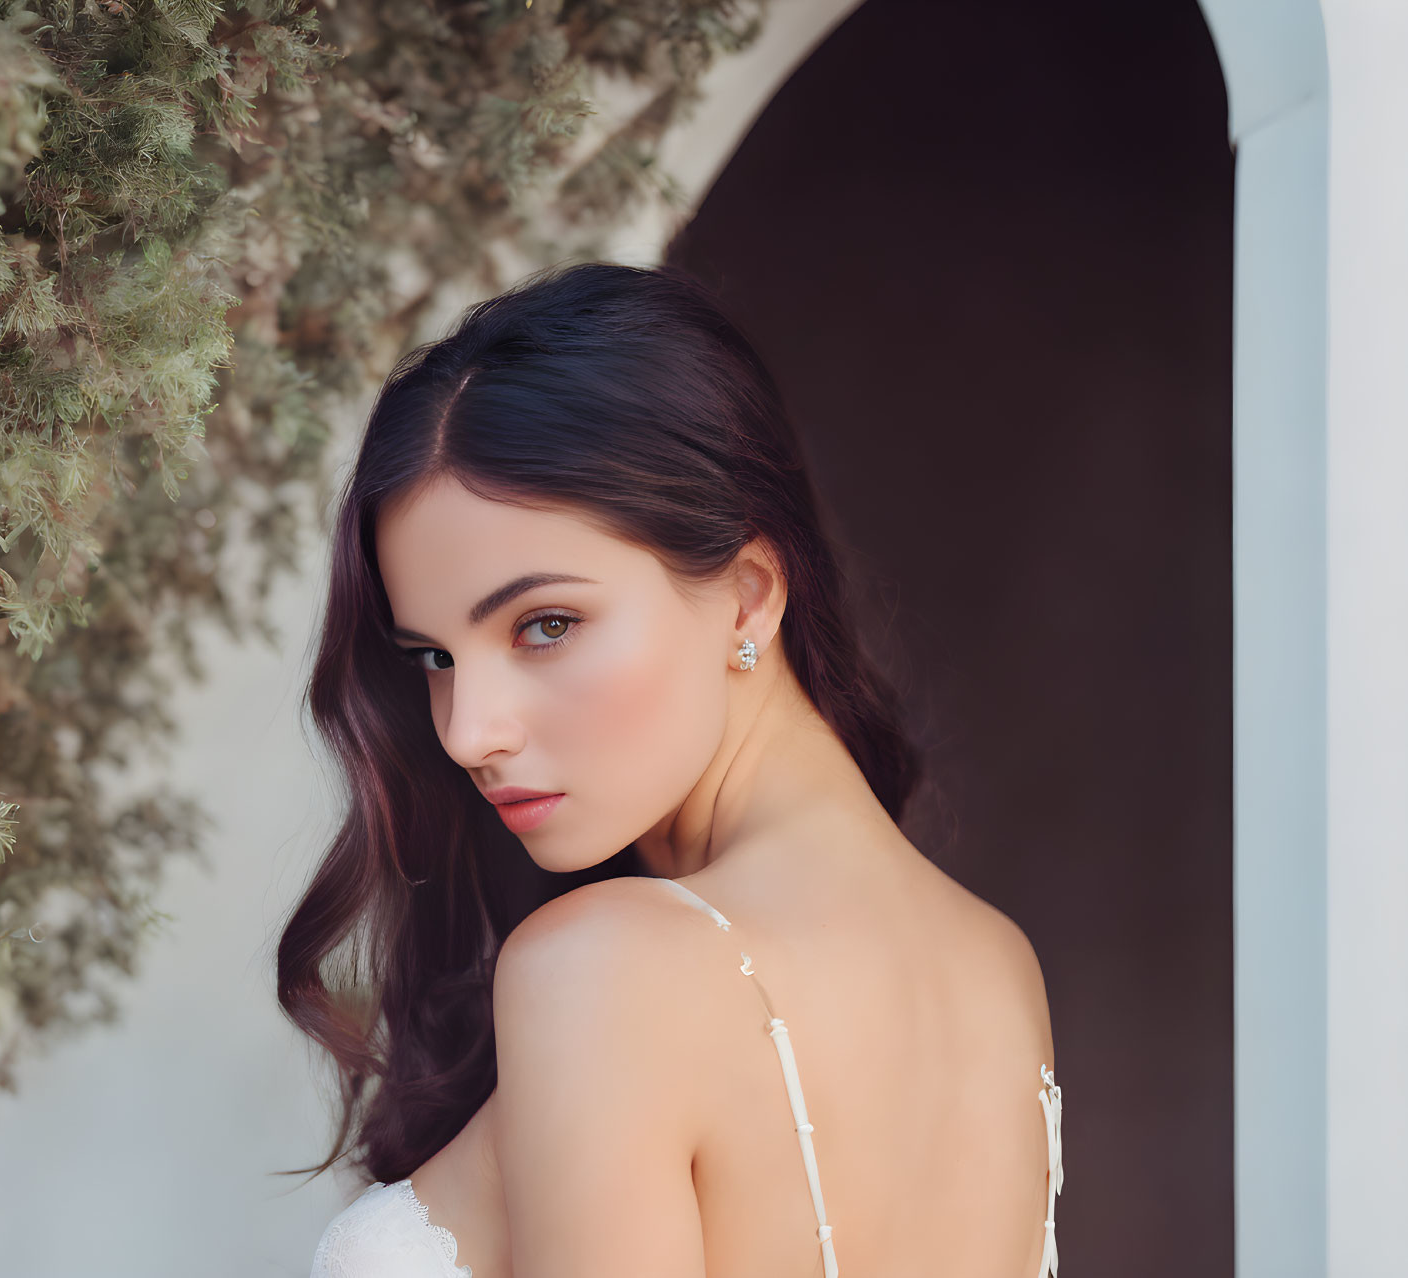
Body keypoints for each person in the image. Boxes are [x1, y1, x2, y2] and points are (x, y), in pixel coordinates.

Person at [279, 262, 1064, 1278]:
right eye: (433, 656)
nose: (467, 731)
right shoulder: (995, 967)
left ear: (745, 597)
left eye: (544, 625)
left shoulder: (604, 966)